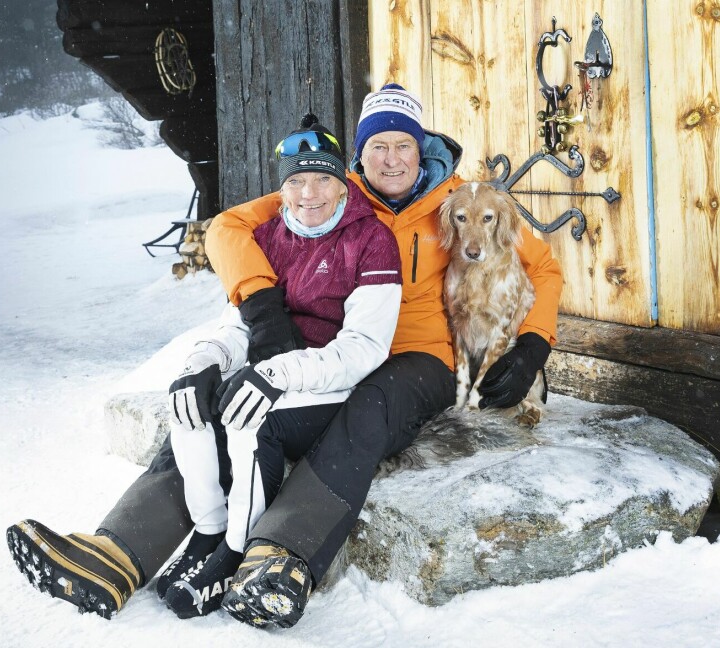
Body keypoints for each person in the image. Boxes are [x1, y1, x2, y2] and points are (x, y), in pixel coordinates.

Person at [5, 115, 403, 621]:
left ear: (343, 181)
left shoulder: (370, 240)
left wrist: (281, 374)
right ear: (280, 187)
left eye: (323, 178)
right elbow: (237, 324)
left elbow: (363, 349)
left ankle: (236, 551)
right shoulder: (269, 235)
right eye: (296, 180)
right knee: (194, 402)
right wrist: (203, 362)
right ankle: (171, 542)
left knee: (253, 421)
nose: (310, 193)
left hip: (330, 382)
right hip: (274, 373)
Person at [206, 83, 564, 629]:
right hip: (335, 348)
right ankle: (129, 546)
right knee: (231, 402)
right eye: (378, 146)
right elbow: (227, 227)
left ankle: (281, 555)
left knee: (371, 406)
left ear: (422, 149)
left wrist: (534, 344)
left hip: (418, 359)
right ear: (359, 153)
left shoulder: (462, 200)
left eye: (403, 145)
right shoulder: (330, 191)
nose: (391, 159)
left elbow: (543, 267)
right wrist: (262, 307)